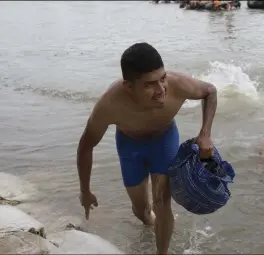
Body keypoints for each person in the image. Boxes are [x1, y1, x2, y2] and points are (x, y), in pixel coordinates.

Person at [76, 42, 217, 254]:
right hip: (130, 145)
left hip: (164, 139)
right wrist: (85, 191)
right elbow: (86, 146)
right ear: (129, 86)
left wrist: (205, 133)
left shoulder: (178, 84)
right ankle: (151, 224)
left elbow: (210, 92)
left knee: (162, 202)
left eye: (163, 78)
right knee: (141, 211)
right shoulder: (110, 104)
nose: (161, 90)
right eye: (149, 84)